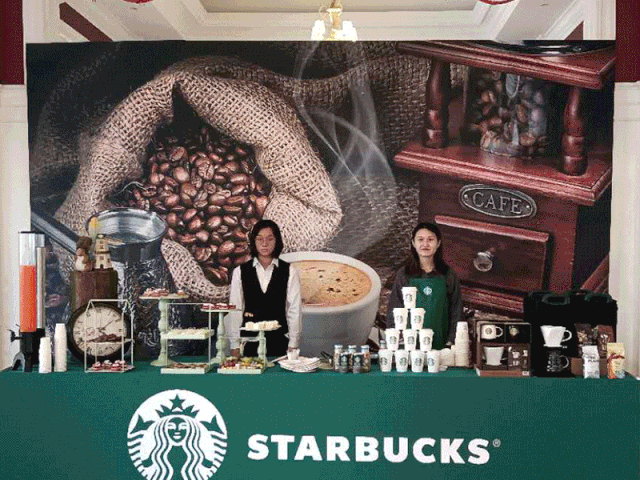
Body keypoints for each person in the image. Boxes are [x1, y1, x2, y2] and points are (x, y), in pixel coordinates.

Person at [225, 220, 301, 358]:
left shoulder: (289, 271)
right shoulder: (240, 272)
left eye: (269, 239)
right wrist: (234, 344)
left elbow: (294, 310)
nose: (264, 244)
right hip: (248, 343)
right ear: (253, 242)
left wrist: (293, 343)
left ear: (277, 241)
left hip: (280, 343)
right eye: (259, 239)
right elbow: (236, 309)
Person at [387, 222, 463, 350]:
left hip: (442, 345)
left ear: (438, 243)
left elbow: (456, 310)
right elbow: (394, 309)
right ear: (413, 243)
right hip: (410, 346)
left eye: (430, 240)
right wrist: (396, 340)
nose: (425, 244)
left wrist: (451, 341)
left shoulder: (448, 274)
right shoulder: (404, 274)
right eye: (420, 240)